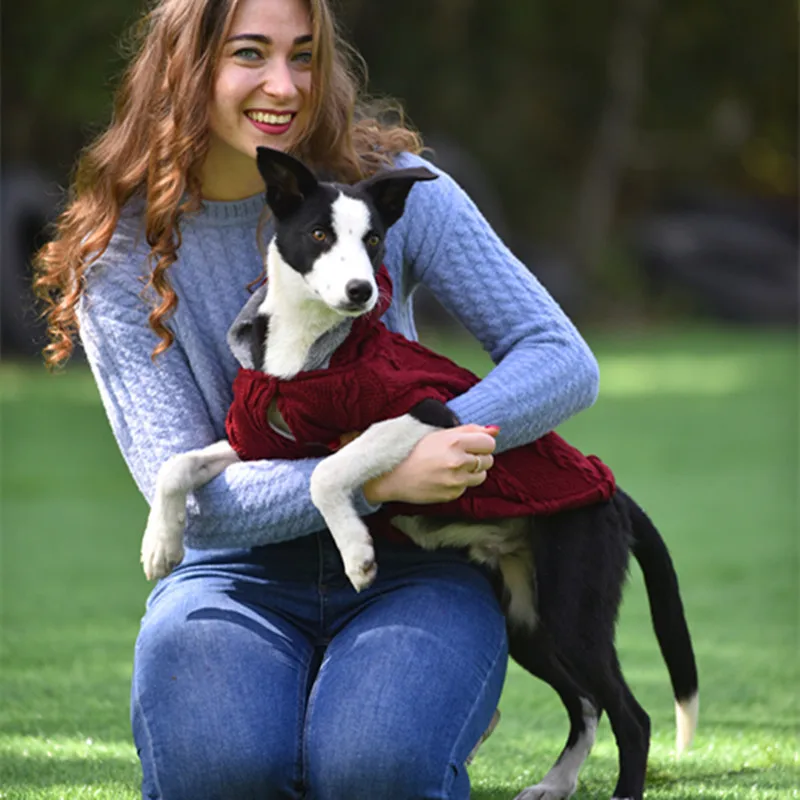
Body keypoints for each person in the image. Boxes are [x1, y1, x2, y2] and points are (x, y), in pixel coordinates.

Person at [34, 0, 600, 797]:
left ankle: (406, 709)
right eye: (250, 54)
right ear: (185, 68)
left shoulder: (393, 190)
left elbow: (561, 358)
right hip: (235, 578)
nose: (284, 84)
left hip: (415, 564)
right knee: (218, 772)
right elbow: (200, 507)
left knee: (375, 769)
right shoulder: (119, 254)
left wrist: (439, 436)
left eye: (303, 55)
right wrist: (377, 475)